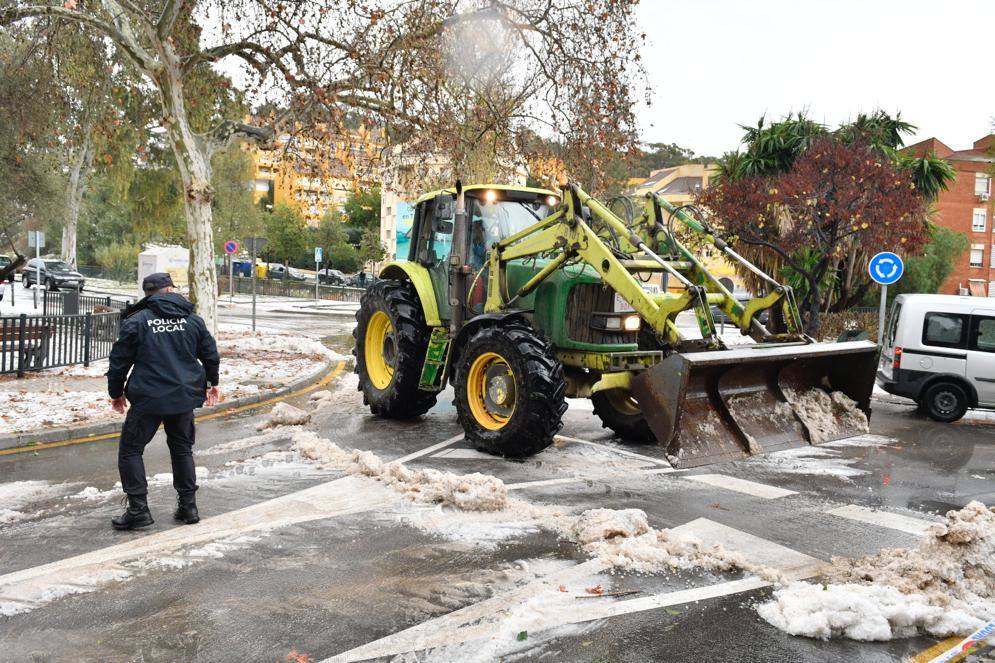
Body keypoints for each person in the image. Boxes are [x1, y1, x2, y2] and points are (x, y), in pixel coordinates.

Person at [106, 273, 220, 531]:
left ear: (148, 294)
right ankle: (188, 506)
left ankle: (138, 511)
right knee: (181, 449)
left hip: (149, 397)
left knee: (131, 450)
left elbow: (119, 361)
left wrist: (116, 392)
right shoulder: (192, 320)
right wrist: (213, 383)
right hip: (183, 396)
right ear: (169, 290)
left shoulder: (137, 321)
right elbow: (210, 354)